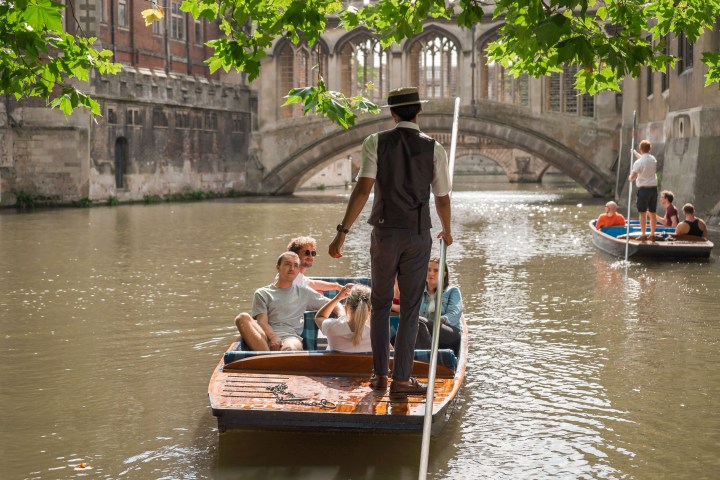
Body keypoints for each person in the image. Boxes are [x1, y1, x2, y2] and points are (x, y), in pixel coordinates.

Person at [328, 86, 452, 397]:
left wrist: (342, 231)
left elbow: (363, 190)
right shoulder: (435, 148)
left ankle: (379, 376)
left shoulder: (375, 142)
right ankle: (402, 380)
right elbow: (443, 199)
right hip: (417, 234)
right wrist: (447, 231)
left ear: (393, 113)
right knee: (410, 308)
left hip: (384, 232)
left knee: (381, 305)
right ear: (418, 112)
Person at [235, 252, 342, 351]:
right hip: (263, 336)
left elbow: (334, 304)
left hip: (289, 338)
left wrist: (342, 315)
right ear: (278, 267)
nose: (292, 268)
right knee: (242, 318)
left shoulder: (304, 292)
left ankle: (267, 360)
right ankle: (267, 357)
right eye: (287, 264)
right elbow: (262, 322)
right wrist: (273, 337)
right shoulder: (262, 293)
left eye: (296, 265)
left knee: (290, 348)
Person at [415, 257, 463, 356]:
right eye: (428, 270)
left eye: (436, 270)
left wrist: (435, 321)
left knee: (419, 320)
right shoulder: (418, 292)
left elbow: (453, 316)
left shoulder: (452, 291)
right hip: (425, 335)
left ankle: (426, 358)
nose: (431, 273)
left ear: (444, 274)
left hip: (449, 334)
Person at [314, 283, 372, 353]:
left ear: (347, 306)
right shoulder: (377, 333)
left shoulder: (332, 327)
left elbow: (319, 317)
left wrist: (337, 298)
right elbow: (389, 353)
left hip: (334, 364)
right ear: (369, 309)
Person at [628, 140, 658, 240]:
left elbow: (633, 177)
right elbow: (644, 159)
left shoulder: (638, 163)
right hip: (654, 190)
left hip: (644, 190)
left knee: (642, 213)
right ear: (650, 149)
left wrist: (630, 178)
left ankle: (644, 234)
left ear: (641, 149)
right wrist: (635, 152)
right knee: (653, 213)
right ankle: (652, 234)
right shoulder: (653, 159)